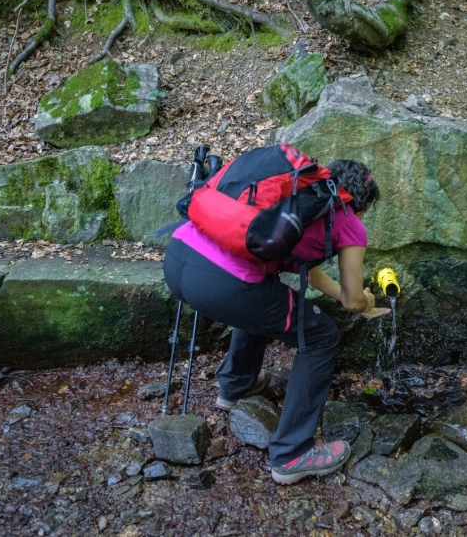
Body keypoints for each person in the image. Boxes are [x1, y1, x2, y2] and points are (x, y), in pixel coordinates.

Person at [163, 158, 390, 485]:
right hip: (223, 284)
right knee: (321, 337)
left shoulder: (300, 198)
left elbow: (311, 274)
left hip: (178, 258)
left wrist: (344, 295)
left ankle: (235, 387)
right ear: (363, 202)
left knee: (266, 297)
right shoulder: (347, 219)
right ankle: (292, 453)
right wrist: (364, 301)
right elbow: (355, 301)